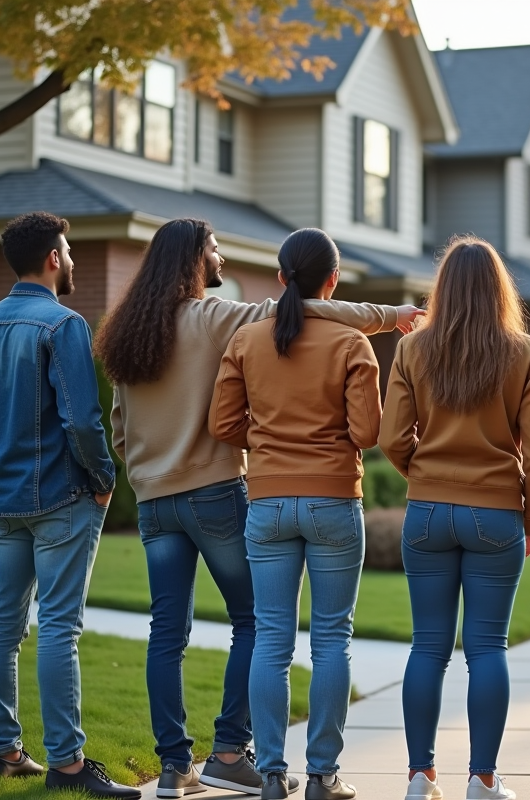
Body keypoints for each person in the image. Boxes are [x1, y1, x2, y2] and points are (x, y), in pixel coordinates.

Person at [93, 218, 422, 800]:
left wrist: (144, 472)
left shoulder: (127, 332)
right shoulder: (218, 318)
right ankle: (231, 753)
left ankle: (175, 768)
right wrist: (391, 318)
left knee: (167, 632)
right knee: (260, 624)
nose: (220, 257)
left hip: (153, 498)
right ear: (195, 260)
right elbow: (308, 312)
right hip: (219, 491)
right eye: (215, 249)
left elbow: (119, 427)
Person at [0, 212, 140, 799]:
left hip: (3, 499)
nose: (73, 260)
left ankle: (4, 751)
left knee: (3, 624)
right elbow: (83, 421)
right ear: (52, 259)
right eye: (68, 251)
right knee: (60, 628)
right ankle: (67, 764)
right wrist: (105, 477)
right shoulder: (63, 324)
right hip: (63, 496)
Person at [378, 236, 530, 800]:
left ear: (444, 289)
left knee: (427, 647)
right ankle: (482, 778)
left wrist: (425, 477)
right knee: (487, 649)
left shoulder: (412, 349)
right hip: (497, 514)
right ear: (498, 289)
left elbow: (389, 438)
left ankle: (418, 776)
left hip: (427, 513)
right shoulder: (524, 351)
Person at [210, 228, 383, 800]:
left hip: (267, 503)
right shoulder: (351, 344)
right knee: (332, 639)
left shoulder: (247, 340)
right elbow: (367, 432)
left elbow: (222, 425)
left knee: (272, 643)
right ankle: (323, 776)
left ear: (281, 278)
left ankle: (271, 775)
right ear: (333, 282)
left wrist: (266, 443)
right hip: (335, 499)